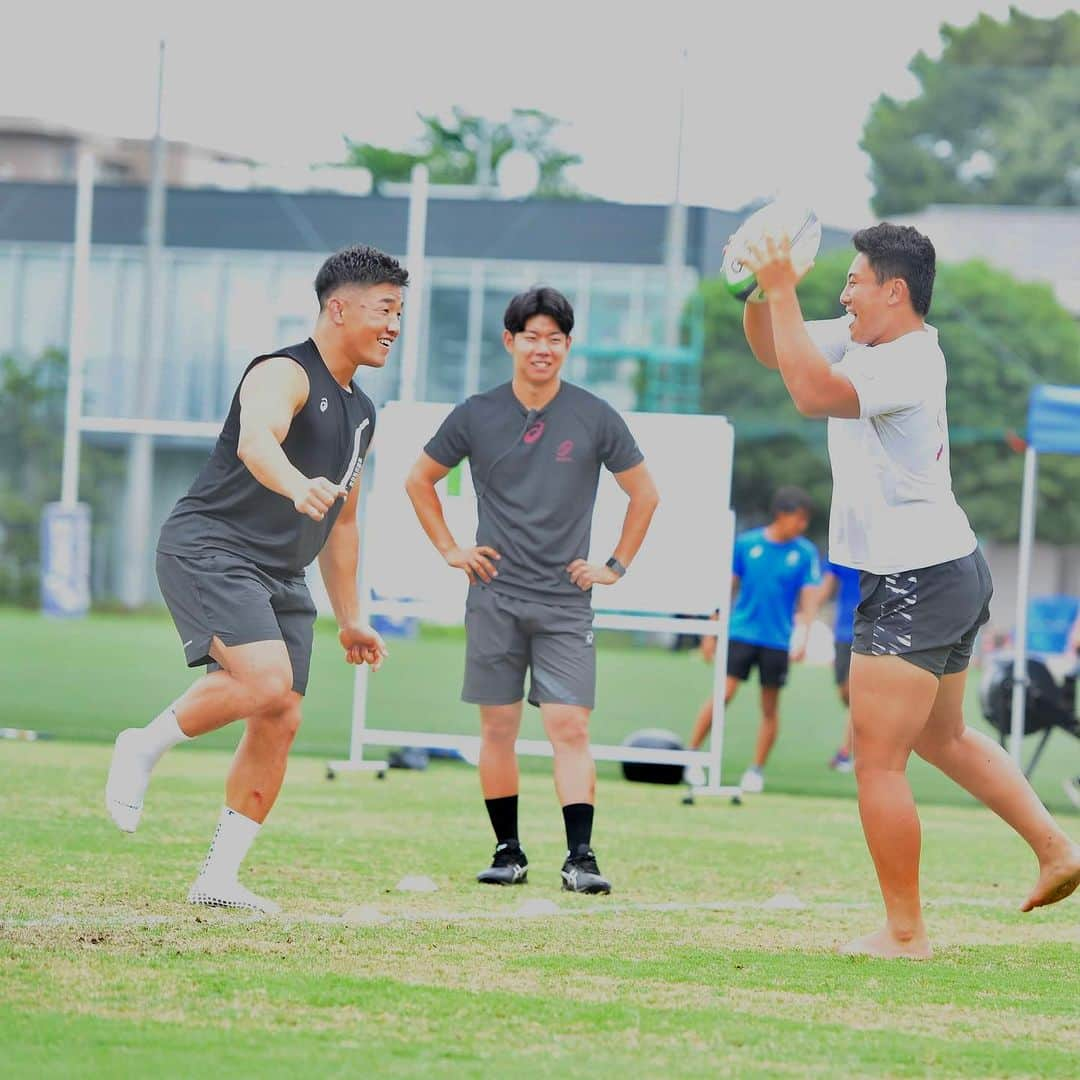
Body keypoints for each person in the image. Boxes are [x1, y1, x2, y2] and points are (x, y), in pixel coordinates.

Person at [739, 221, 1080, 958]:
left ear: (894, 291)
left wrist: (779, 288)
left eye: (855, 281)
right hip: (947, 568)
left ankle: (904, 931)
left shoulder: (908, 362)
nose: (845, 293)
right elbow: (776, 348)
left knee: (879, 759)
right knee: (945, 738)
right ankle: (1057, 849)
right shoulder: (864, 337)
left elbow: (809, 392)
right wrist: (752, 287)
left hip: (915, 580)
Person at [105, 245, 407, 912]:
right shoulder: (283, 372)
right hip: (210, 548)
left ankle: (217, 877)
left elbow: (344, 524)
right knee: (263, 678)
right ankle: (141, 746)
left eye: (399, 314)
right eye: (384, 310)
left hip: (281, 571)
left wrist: (352, 616)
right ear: (338, 307)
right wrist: (298, 486)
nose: (393, 325)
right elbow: (256, 441)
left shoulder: (363, 414)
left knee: (281, 712)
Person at [405, 286, 659, 894]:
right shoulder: (475, 413)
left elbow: (645, 493)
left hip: (566, 602)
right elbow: (419, 479)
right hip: (493, 594)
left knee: (570, 726)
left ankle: (581, 859)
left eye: (554, 338)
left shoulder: (595, 416)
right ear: (509, 341)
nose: (541, 348)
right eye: (530, 336)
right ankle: (508, 851)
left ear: (568, 345)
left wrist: (615, 566)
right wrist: (450, 549)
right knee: (498, 727)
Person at [686, 487, 821, 794]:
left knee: (770, 707)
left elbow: (809, 598)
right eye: (798, 519)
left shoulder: (804, 553)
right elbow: (727, 589)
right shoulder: (748, 544)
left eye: (805, 521)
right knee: (723, 695)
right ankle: (692, 756)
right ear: (781, 515)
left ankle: (756, 770)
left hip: (776, 640)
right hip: (742, 634)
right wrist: (712, 630)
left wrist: (805, 637)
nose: (801, 526)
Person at [820, 560, 861, 772]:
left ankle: (846, 752)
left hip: (869, 631)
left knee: (856, 696)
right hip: (843, 631)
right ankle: (864, 729)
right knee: (844, 693)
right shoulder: (843, 553)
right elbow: (825, 587)